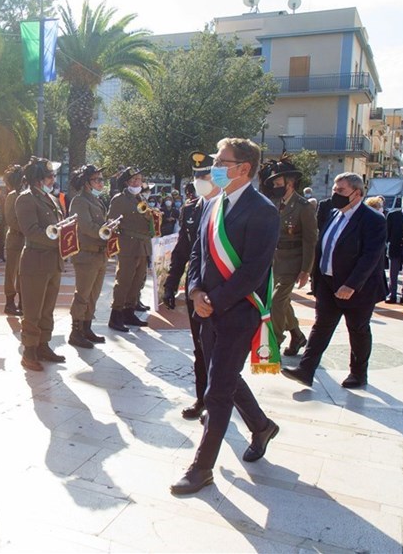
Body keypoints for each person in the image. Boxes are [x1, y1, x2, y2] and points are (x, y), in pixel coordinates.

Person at [171, 138, 280, 496]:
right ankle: (261, 426)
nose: (214, 165)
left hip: (238, 312)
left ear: (243, 168)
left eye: (221, 160)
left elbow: (253, 270)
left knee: (216, 391)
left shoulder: (263, 210)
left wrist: (214, 300)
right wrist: (196, 291)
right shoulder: (212, 205)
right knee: (225, 377)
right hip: (208, 310)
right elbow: (198, 256)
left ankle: (202, 468)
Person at [282, 173, 387, 389]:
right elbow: (322, 246)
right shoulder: (333, 213)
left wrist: (352, 284)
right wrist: (315, 276)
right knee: (321, 328)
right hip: (328, 284)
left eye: (341, 191)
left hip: (358, 288)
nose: (335, 195)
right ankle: (305, 370)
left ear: (356, 194)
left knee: (357, 329)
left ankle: (358, 374)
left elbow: (371, 256)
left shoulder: (373, 220)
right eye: (334, 190)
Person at [163, 152, 217, 420]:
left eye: (205, 176)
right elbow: (183, 250)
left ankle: (220, 402)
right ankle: (202, 399)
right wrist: (171, 283)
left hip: (223, 294)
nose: (200, 181)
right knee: (200, 349)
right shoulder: (190, 209)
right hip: (196, 291)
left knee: (221, 354)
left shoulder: (227, 206)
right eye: (196, 177)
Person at [259, 156, 318, 356]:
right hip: (275, 259)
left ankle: (273, 343)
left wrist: (306, 270)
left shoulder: (304, 207)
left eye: (278, 183)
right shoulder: (275, 203)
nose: (275, 187)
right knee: (283, 302)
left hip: (293, 261)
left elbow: (310, 240)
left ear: (289, 183)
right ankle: (297, 334)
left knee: (276, 301)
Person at [15, 158, 66, 371]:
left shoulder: (50, 199)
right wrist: (58, 238)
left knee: (47, 308)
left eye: (53, 176)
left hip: (53, 260)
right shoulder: (25, 199)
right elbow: (32, 231)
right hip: (36, 261)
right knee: (33, 310)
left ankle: (43, 345)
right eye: (49, 176)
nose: (53, 180)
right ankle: (29, 351)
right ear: (37, 179)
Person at [67, 165, 109, 349]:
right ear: (86, 183)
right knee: (83, 294)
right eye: (97, 179)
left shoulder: (96, 200)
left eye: (101, 179)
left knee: (93, 295)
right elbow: (86, 226)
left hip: (99, 254)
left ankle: (86, 327)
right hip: (86, 254)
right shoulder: (79, 201)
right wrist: (106, 232)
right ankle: (75, 331)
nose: (101, 182)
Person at [107, 167, 151, 331]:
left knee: (137, 281)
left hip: (142, 245)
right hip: (127, 244)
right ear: (126, 182)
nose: (136, 182)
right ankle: (116, 314)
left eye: (138, 179)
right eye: (133, 180)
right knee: (124, 281)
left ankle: (129, 311)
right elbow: (111, 221)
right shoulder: (119, 199)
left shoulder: (141, 198)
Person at [2, 165, 24, 316]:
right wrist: (29, 229)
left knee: (23, 273)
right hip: (15, 240)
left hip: (26, 241)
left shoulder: (25, 195)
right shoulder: (12, 196)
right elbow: (11, 219)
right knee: (12, 273)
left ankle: (23, 301)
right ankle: (10, 302)